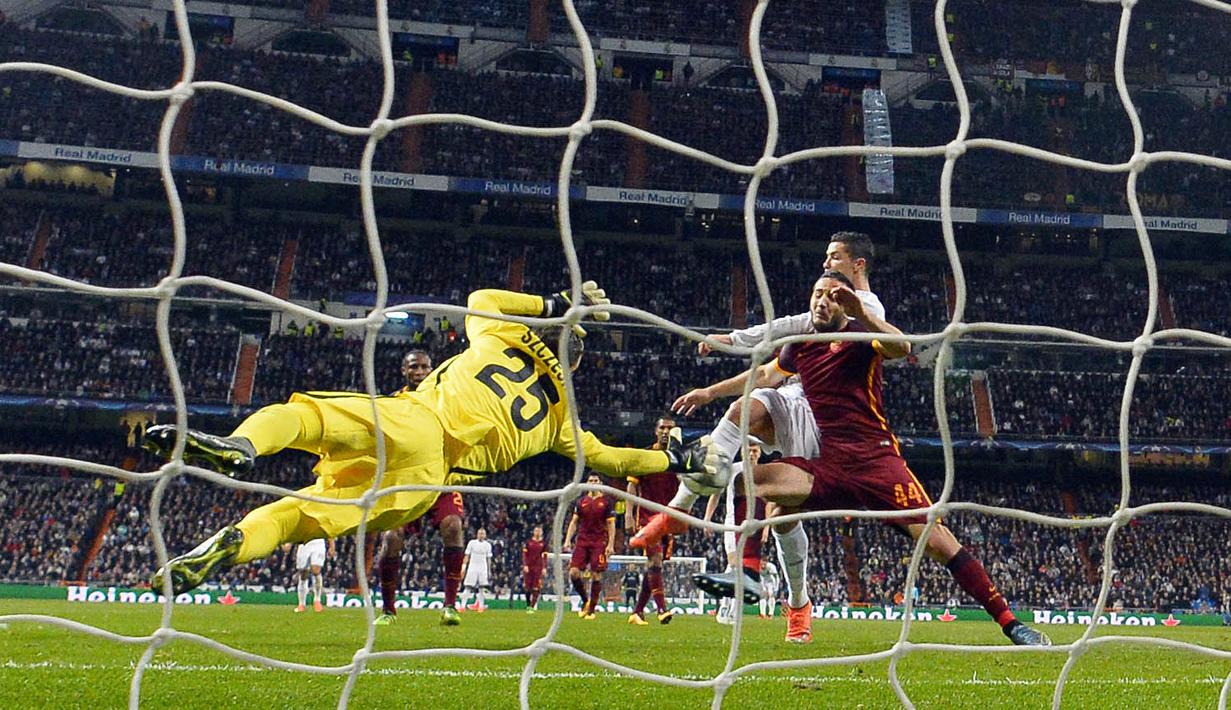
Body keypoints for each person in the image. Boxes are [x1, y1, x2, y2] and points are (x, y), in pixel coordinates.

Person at [144, 283, 724, 595]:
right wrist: (673, 455)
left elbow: (481, 300)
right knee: (303, 515)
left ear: (544, 337)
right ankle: (231, 544)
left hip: (417, 420)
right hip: (425, 483)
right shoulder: (559, 424)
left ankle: (241, 448)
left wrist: (555, 304)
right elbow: (612, 456)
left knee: (306, 418)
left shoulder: (500, 340)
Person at [690, 271, 1050, 647]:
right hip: (828, 465)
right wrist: (709, 393)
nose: (822, 302)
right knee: (748, 482)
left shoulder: (861, 341)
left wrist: (860, 310)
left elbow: (902, 348)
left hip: (877, 464)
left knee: (938, 542)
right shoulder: (800, 346)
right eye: (817, 294)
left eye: (832, 296)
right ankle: (749, 573)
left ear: (845, 305)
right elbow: (764, 374)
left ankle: (1011, 624)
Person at [633, 233, 885, 623]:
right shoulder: (822, 306)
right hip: (793, 400)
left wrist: (731, 342)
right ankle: (675, 513)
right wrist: (714, 380)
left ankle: (798, 603)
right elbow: (775, 349)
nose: (825, 264)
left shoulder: (863, 310)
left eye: (834, 257)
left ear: (858, 265)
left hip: (826, 424)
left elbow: (889, 348)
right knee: (741, 410)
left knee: (784, 517)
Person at [374, 350, 469, 627]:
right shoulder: (393, 402)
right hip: (406, 479)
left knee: (453, 526)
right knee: (392, 538)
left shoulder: (445, 398)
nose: (420, 371)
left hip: (440, 478)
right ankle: (388, 610)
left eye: (425, 367)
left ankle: (450, 606)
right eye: (414, 366)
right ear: (404, 370)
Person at [625, 416, 680, 626]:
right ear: (656, 431)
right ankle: (662, 609)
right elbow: (631, 486)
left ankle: (637, 612)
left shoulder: (680, 457)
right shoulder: (645, 455)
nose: (666, 431)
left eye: (670, 428)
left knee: (655, 566)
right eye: (662, 427)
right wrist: (628, 515)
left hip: (669, 519)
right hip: (648, 518)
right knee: (654, 562)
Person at [563, 472, 615, 620]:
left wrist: (610, 544)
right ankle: (586, 600)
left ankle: (591, 610)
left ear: (600, 483)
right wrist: (567, 540)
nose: (592, 483)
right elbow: (574, 522)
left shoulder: (606, 502)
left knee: (596, 574)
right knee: (573, 573)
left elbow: (611, 524)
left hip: (599, 542)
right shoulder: (581, 502)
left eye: (595, 480)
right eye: (590, 480)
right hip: (582, 541)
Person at [291, 537, 335, 613]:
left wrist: (332, 546)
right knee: (304, 573)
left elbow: (327, 530)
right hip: (303, 544)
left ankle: (317, 600)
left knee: (316, 570)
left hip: (318, 543)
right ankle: (301, 604)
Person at [460, 527, 493, 612]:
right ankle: (462, 606)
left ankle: (481, 607)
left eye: (483, 534)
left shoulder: (488, 545)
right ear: (477, 534)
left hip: (483, 568)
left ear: (485, 535)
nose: (481, 535)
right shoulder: (472, 543)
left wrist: (489, 570)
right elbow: (467, 555)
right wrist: (464, 566)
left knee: (481, 588)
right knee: (468, 587)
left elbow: (488, 559)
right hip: (472, 567)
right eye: (479, 533)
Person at [522, 524, 547, 612]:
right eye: (536, 531)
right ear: (533, 532)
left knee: (536, 587)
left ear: (541, 533)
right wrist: (525, 565)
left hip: (538, 568)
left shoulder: (543, 544)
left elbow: (544, 556)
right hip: (529, 567)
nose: (537, 532)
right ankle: (528, 605)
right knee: (528, 588)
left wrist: (544, 567)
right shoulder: (528, 542)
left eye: (539, 531)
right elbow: (524, 554)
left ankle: (532, 607)